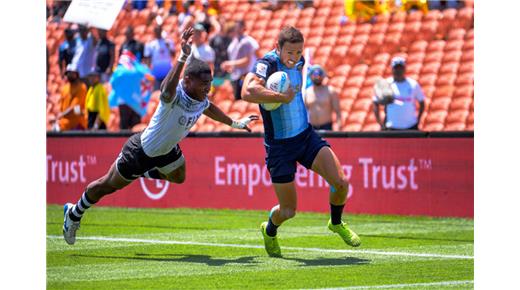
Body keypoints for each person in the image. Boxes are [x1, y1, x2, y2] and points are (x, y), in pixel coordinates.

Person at [62, 27, 259, 245]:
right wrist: (183, 56)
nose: (208, 88)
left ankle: (141, 174)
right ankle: (73, 213)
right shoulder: (173, 96)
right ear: (187, 81)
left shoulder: (200, 99)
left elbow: (210, 108)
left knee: (179, 176)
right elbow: (165, 89)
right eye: (204, 84)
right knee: (106, 186)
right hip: (140, 151)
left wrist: (235, 122)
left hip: (167, 151)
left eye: (210, 83)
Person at [241, 26, 360, 257]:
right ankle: (270, 229)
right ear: (278, 48)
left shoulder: (300, 62)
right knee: (288, 211)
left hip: (306, 137)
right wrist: (280, 97)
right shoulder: (267, 63)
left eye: (298, 52)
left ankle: (336, 223)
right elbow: (247, 92)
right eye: (290, 53)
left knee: (341, 183)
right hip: (279, 147)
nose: (295, 57)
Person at [373, 56, 425, 130]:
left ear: (404, 69)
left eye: (400, 68)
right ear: (392, 69)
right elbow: (375, 103)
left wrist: (418, 119)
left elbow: (422, 102)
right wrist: (380, 123)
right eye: (396, 68)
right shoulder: (386, 84)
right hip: (391, 127)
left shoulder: (413, 84)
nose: (398, 71)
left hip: (411, 126)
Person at [109, 50, 154, 130]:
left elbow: (113, 83)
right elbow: (149, 79)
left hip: (122, 101)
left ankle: (123, 142)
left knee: (124, 126)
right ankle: (135, 142)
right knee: (135, 126)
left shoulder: (119, 70)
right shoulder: (138, 70)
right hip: (136, 101)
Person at [221, 20, 258, 100]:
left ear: (243, 28)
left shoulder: (247, 41)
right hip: (236, 77)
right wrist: (231, 67)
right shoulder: (234, 42)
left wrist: (230, 64)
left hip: (245, 76)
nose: (236, 29)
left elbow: (247, 61)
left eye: (238, 26)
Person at [304, 65, 342, 131]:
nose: (317, 77)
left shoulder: (330, 91)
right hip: (312, 128)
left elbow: (338, 112)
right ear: (310, 76)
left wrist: (339, 127)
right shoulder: (306, 93)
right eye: (315, 75)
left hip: (327, 127)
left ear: (323, 76)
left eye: (319, 74)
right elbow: (303, 113)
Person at [54, 64, 88, 131]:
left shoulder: (81, 88)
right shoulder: (65, 88)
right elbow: (61, 106)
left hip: (77, 125)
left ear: (77, 74)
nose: (69, 75)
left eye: (72, 73)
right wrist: (59, 117)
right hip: (64, 124)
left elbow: (75, 107)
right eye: (68, 73)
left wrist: (61, 115)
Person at [144, 26, 176, 90]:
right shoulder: (151, 44)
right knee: (157, 93)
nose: (158, 32)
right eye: (156, 31)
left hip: (167, 73)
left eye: (159, 30)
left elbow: (173, 54)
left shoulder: (168, 42)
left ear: (161, 31)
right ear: (154, 32)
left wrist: (169, 47)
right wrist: (148, 71)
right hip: (156, 74)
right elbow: (147, 60)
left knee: (168, 92)